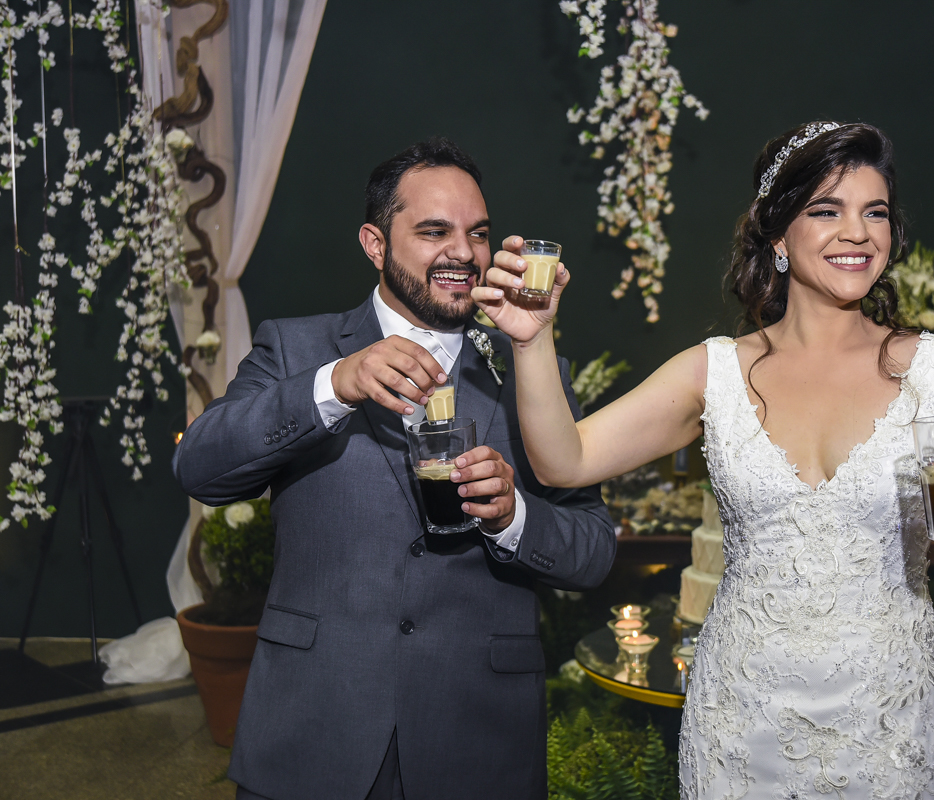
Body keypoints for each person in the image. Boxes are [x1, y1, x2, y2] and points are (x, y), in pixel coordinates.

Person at [474, 122, 934, 799]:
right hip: (742, 720)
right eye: (827, 210)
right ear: (777, 233)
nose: (858, 233)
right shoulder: (714, 372)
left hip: (891, 723)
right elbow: (563, 461)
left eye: (875, 213)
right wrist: (532, 341)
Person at [173, 137, 616, 800]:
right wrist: (333, 385)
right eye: (434, 231)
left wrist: (514, 518)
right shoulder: (297, 348)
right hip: (315, 727)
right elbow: (200, 467)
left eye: (477, 233)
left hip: (478, 741)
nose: (463, 252)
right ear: (375, 245)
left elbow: (594, 551)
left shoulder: (530, 366)